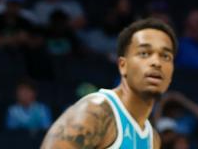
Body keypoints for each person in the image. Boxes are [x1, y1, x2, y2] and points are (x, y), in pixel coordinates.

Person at [40, 18, 177, 148]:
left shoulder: (152, 139)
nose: (156, 63)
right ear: (123, 65)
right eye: (144, 53)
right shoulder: (94, 113)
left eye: (166, 56)